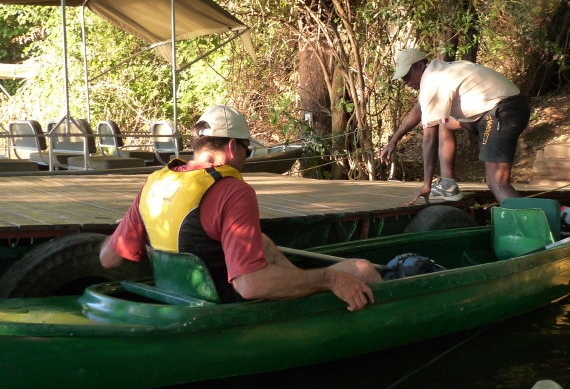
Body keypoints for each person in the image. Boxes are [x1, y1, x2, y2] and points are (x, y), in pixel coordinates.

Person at [100, 105, 381, 311]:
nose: (246, 158)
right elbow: (250, 285)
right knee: (364, 270)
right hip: (221, 307)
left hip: (176, 297)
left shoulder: (155, 183)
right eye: (248, 150)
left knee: (263, 242)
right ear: (233, 146)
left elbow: (108, 259)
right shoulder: (232, 191)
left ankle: (301, 282)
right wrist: (330, 278)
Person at [380, 49, 530, 205]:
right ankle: (448, 186)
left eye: (406, 75)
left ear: (420, 66)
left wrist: (426, 185)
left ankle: (529, 220)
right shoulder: (437, 73)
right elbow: (419, 110)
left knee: (497, 182)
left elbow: (429, 138)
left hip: (502, 111)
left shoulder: (432, 80)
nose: (405, 81)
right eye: (402, 78)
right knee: (445, 124)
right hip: (500, 108)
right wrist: (394, 140)